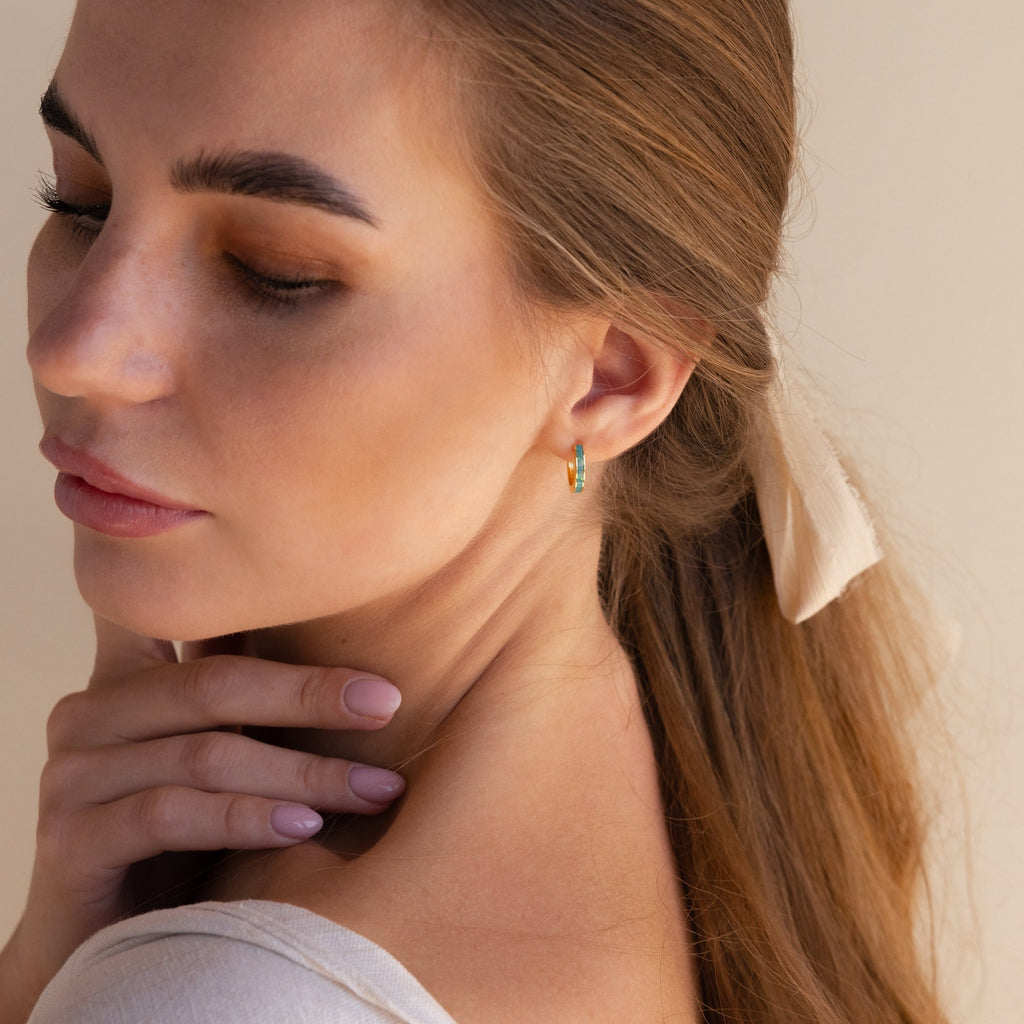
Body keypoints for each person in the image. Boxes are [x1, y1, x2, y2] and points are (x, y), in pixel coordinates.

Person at [0, 0, 948, 1021]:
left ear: (611, 378)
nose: (75, 347)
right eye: (82, 200)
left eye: (275, 271)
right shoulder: (684, 822)